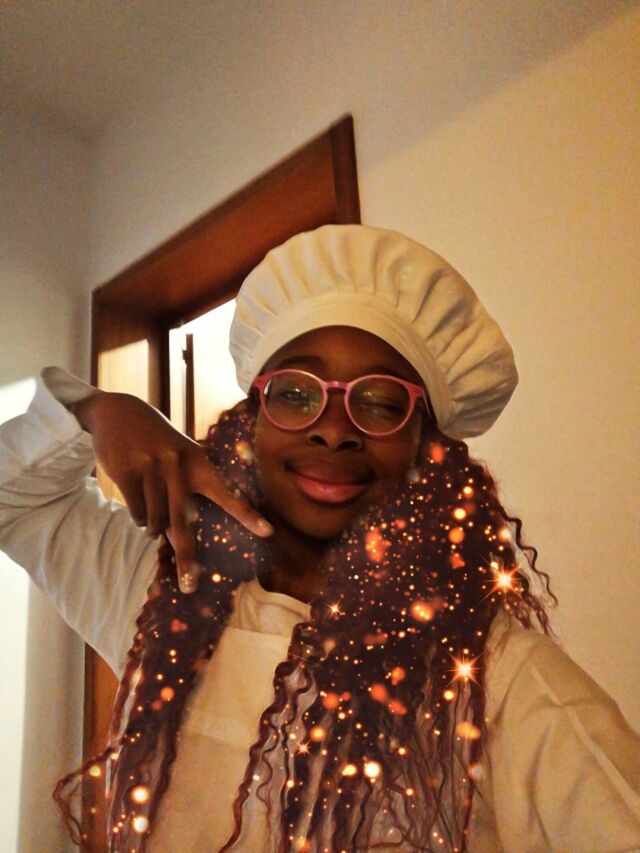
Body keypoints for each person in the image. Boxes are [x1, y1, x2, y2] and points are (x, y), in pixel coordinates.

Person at [1, 225, 638, 852]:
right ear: (251, 420)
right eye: (296, 393)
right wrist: (97, 412)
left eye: (382, 403)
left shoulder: (504, 681)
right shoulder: (164, 592)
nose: (334, 429)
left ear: (428, 450)